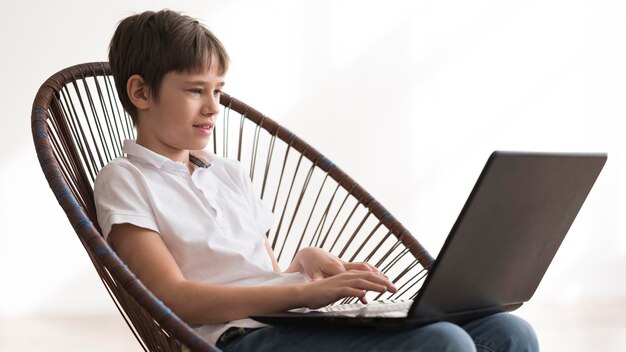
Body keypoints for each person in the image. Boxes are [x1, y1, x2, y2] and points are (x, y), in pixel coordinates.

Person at [94, 9, 539, 352]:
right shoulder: (126, 180)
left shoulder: (226, 173)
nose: (213, 106)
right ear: (140, 93)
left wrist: (301, 266)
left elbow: (258, 277)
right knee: (445, 343)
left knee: (508, 330)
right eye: (195, 90)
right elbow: (176, 299)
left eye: (218, 90)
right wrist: (305, 293)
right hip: (234, 340)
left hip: (288, 319)